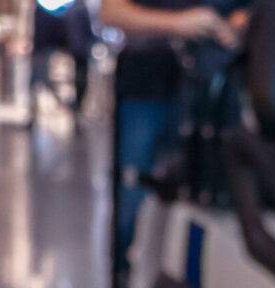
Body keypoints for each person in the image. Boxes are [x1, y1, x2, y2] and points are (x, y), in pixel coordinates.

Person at [100, 0, 243, 266]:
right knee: (132, 193)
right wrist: (179, 24)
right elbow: (111, 12)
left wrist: (232, 27)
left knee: (213, 199)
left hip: (212, 90)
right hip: (147, 82)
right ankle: (126, 268)